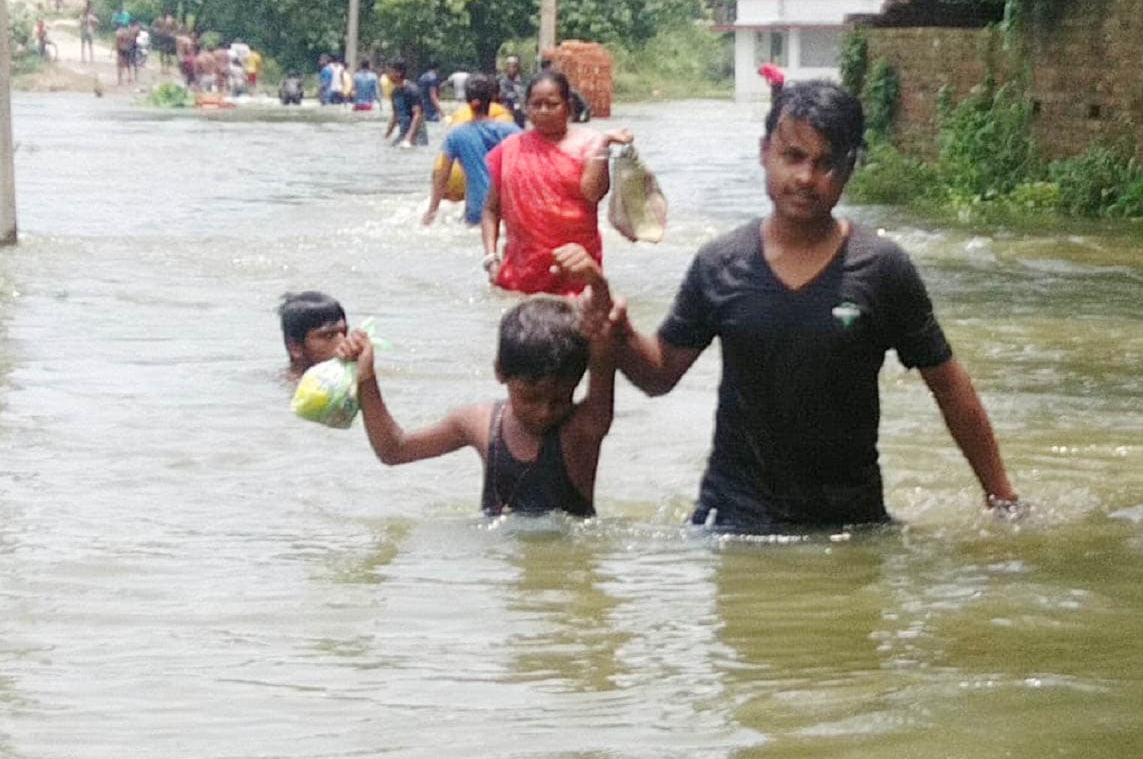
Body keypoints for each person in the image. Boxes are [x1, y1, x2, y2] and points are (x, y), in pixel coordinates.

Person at [605, 80, 1018, 534]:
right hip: (734, 524)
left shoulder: (882, 269)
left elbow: (949, 385)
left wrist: (1001, 498)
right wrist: (618, 333)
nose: (805, 178)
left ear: (849, 170)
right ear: (765, 152)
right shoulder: (720, 263)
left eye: (825, 164)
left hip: (851, 527)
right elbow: (659, 374)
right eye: (794, 156)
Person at [335, 248, 615, 516]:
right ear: (500, 372)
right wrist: (366, 377)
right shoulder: (479, 424)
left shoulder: (585, 428)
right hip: (503, 562)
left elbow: (604, 341)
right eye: (530, 398)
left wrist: (597, 284)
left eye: (559, 399)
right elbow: (393, 449)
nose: (544, 411)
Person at [482, 70, 632, 296]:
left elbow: (593, 193)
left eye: (552, 104)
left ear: (568, 106)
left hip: (576, 272)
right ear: (526, 107)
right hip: (520, 274)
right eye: (536, 104)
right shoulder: (510, 149)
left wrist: (605, 145)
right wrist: (491, 259)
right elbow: (491, 209)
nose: (543, 111)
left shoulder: (589, 143)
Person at [423, 73, 520, 227]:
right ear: (493, 98)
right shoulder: (512, 132)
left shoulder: (456, 135)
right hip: (509, 213)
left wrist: (432, 211)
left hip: (476, 212)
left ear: (468, 100)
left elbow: (442, 175)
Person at [278, 291, 348, 379]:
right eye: (328, 336)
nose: (344, 342)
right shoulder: (299, 389)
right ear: (295, 347)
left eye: (344, 333)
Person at [384, 60, 428, 147]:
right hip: (403, 133)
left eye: (390, 72)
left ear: (398, 73)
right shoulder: (394, 93)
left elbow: (417, 115)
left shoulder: (412, 90)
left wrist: (408, 138)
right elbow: (395, 116)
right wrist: (387, 135)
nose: (387, 75)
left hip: (417, 136)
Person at [497, 55, 526, 128]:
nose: (512, 69)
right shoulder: (502, 80)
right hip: (507, 110)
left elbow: (525, 93)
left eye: (514, 66)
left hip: (520, 112)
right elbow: (502, 94)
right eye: (509, 66)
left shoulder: (523, 80)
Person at [114, 19, 135, 85]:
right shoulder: (128, 32)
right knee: (128, 63)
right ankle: (129, 77)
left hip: (121, 50)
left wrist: (117, 50)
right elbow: (132, 40)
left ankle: (120, 81)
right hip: (127, 49)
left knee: (119, 65)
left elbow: (117, 43)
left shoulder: (118, 32)